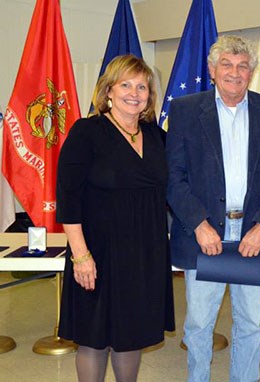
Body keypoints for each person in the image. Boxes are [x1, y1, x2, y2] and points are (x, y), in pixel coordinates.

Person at [166, 35, 260, 382]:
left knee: (251, 324)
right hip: (204, 233)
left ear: (252, 73)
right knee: (198, 324)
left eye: (242, 66)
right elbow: (173, 177)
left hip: (253, 235)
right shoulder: (185, 110)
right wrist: (198, 223)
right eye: (227, 64)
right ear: (212, 70)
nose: (234, 73)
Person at [56, 54, 175, 381]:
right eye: (126, 85)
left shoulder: (156, 137)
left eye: (142, 87)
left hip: (145, 253)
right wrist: (81, 256)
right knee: (94, 338)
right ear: (108, 90)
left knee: (131, 334)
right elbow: (68, 198)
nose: (134, 93)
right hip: (97, 253)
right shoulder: (86, 132)